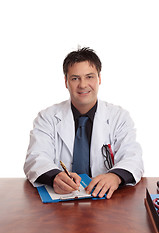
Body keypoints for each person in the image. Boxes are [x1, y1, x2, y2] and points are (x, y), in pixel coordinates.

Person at [24, 47, 144, 199]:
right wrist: (55, 177)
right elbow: (36, 157)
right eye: (75, 78)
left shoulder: (119, 117)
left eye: (89, 77)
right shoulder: (47, 117)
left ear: (99, 79)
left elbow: (133, 157)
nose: (82, 85)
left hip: (106, 201)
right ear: (66, 82)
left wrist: (115, 176)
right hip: (62, 204)